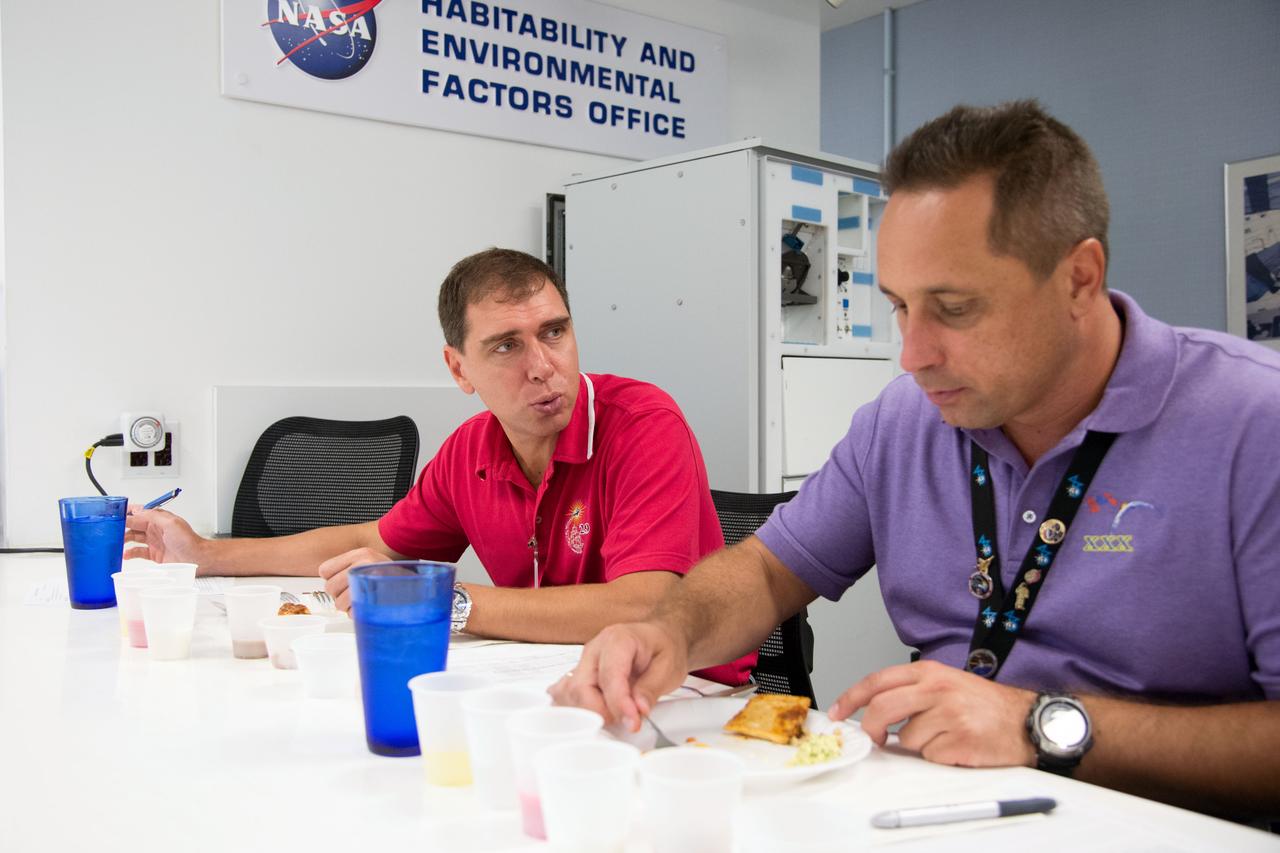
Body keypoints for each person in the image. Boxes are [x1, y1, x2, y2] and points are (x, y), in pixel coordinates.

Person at [551, 100, 1280, 818]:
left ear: (1078, 279)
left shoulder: (1252, 426)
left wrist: (1040, 725)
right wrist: (670, 630)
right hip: (934, 807)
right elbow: (769, 569)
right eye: (899, 305)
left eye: (954, 308)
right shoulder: (906, 419)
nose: (912, 355)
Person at [125, 248, 752, 685]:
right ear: (459, 369)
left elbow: (646, 606)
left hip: (689, 693)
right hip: (555, 676)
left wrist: (450, 604)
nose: (541, 365)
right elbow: (372, 542)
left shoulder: (642, 423)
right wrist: (206, 554)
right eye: (507, 345)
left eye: (554, 332)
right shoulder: (471, 450)